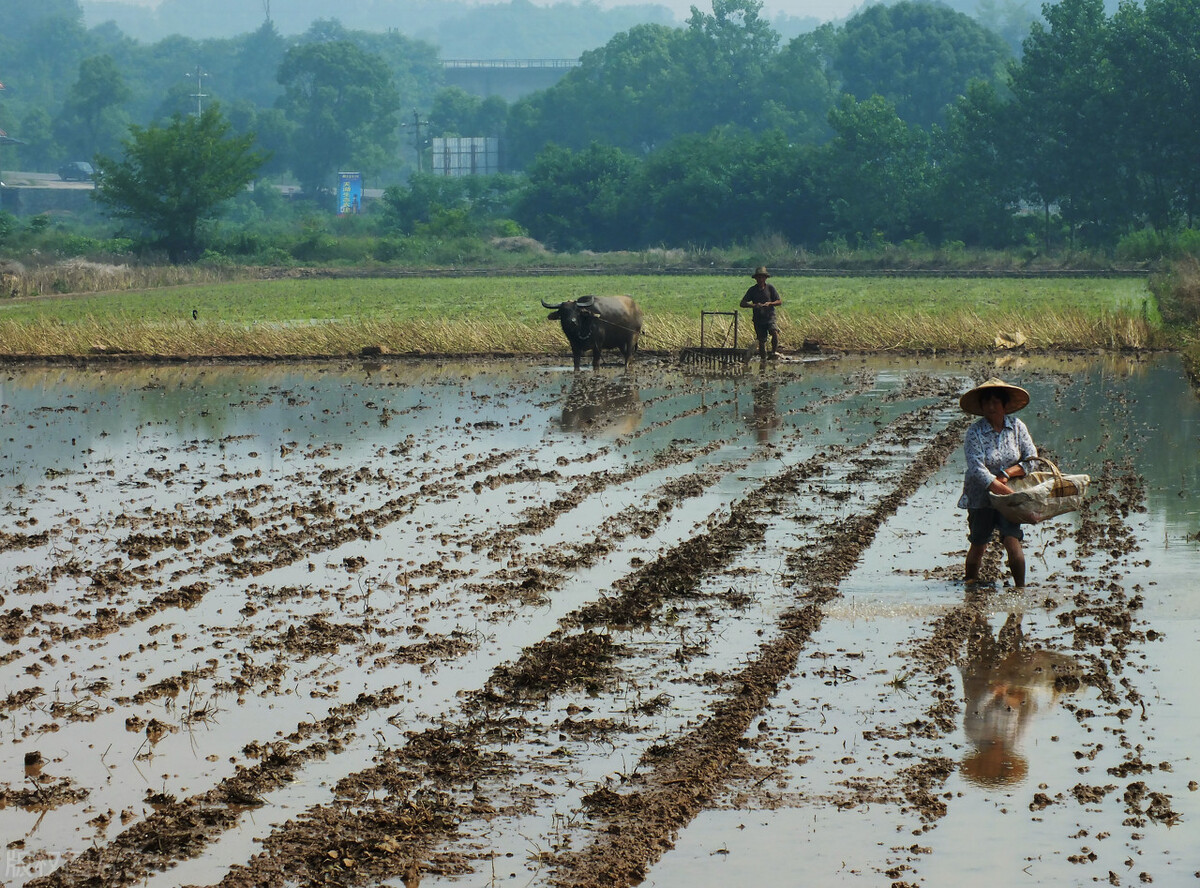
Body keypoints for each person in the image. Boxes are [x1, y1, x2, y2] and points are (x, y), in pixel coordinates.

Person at [956, 377, 1038, 587]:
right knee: (979, 543)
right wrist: (1007, 494)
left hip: (1009, 492)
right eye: (986, 402)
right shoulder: (975, 432)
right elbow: (977, 469)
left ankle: (1021, 588)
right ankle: (971, 585)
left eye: (995, 402)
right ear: (981, 406)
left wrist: (1007, 474)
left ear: (1004, 405)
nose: (991, 406)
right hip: (982, 496)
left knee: (1012, 540)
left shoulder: (1017, 427)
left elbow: (1031, 459)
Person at [740, 266, 782, 359]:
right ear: (755, 278)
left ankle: (773, 352)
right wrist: (754, 305)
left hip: (770, 317)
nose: (760, 279)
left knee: (774, 332)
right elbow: (742, 303)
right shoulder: (752, 290)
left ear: (765, 278)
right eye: (758, 277)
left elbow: (779, 301)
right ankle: (763, 360)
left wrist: (770, 303)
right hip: (758, 319)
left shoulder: (770, 288)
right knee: (762, 340)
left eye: (762, 277)